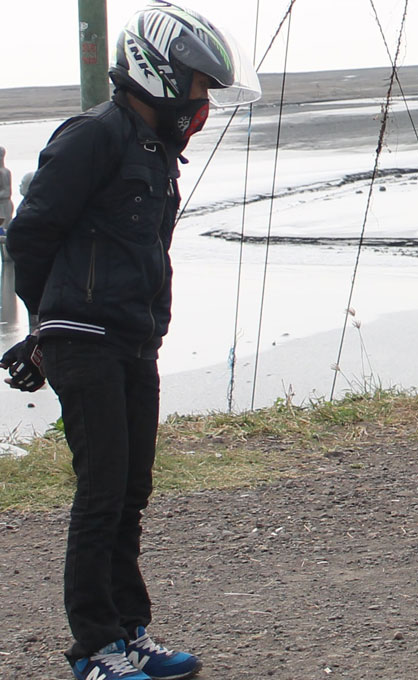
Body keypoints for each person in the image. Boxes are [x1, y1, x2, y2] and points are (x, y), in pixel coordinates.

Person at [0, 3, 260, 679]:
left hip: (133, 339)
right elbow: (30, 235)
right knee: (102, 490)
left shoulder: (154, 152)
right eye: (198, 86)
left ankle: (129, 630)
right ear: (161, 73)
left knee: (131, 490)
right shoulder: (93, 136)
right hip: (83, 337)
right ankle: (96, 648)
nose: (201, 103)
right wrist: (43, 330)